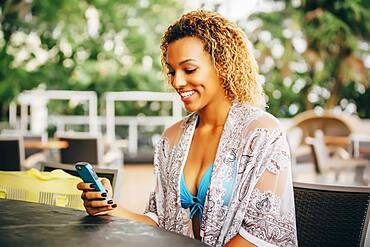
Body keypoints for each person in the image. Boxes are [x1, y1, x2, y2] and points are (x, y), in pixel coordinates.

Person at [77, 10, 298, 247]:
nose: (177, 82)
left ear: (222, 65)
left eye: (189, 70)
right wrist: (111, 208)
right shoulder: (171, 138)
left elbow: (259, 236)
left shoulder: (261, 133)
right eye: (172, 71)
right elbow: (160, 223)